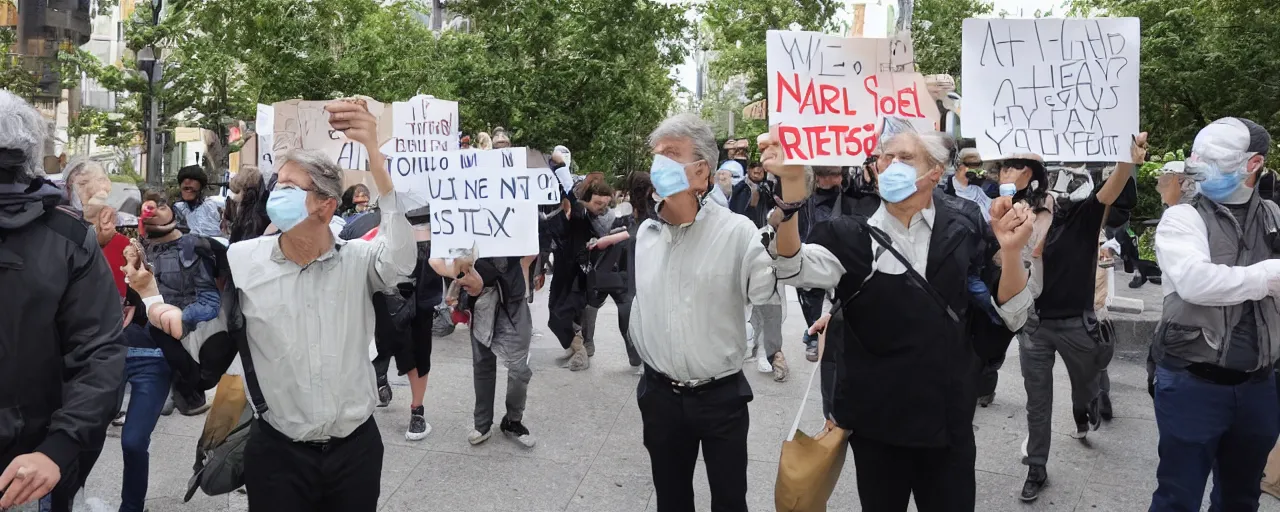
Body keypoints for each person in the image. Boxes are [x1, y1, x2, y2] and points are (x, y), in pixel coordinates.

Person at [136, 101, 418, 511]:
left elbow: (402, 257)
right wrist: (149, 295)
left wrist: (374, 153)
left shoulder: (359, 261)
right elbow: (200, 328)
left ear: (326, 205)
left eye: (291, 186)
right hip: (277, 454)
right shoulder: (243, 259)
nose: (277, 192)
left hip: (355, 452)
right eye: (277, 182)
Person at [766, 127, 1036, 510]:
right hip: (877, 424)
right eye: (885, 158)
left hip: (948, 420)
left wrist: (1011, 252)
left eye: (906, 158)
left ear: (935, 171)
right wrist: (790, 197)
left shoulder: (964, 226)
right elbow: (792, 267)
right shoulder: (848, 233)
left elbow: (1011, 313)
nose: (891, 166)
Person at [630, 114, 781, 511]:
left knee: (730, 500)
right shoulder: (646, 234)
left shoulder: (738, 233)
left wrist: (784, 230)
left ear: (702, 172)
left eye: (670, 154)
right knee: (671, 498)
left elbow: (766, 291)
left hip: (720, 398)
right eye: (656, 155)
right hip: (660, 395)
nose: (658, 164)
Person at [0, 90, 125, 512]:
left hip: (29, 466)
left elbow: (98, 352)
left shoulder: (68, 237)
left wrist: (58, 447)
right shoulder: (72, 236)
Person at [1149, 118, 1280, 511]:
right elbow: (1195, 281)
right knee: (1178, 496)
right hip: (1192, 381)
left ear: (1253, 164)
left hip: (1260, 386)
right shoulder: (1183, 217)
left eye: (1215, 156)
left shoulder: (1273, 215)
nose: (1198, 163)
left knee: (1241, 497)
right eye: (1196, 153)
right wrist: (1268, 275)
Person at [1016, 138, 1144, 502]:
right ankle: (1036, 466)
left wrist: (1127, 161)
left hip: (1076, 325)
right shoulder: (1025, 218)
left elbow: (1110, 191)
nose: (1052, 191)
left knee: (1086, 387)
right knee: (1036, 401)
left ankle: (1085, 407)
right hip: (1035, 325)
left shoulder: (1085, 218)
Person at [439, 252, 538, 449]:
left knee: (519, 367)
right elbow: (440, 256)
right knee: (483, 363)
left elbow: (534, 244)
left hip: (512, 295)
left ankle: (513, 420)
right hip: (478, 297)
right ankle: (482, 424)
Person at [139, 190, 220, 417]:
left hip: (184, 326)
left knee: (159, 330)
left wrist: (181, 318)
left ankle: (187, 388)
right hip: (152, 320)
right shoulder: (142, 249)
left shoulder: (193, 248)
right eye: (148, 208)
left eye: (161, 206)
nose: (153, 211)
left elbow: (210, 300)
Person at [546, 180, 614, 371]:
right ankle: (577, 346)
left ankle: (580, 350)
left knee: (563, 315)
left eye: (605, 204)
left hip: (581, 276)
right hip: (564, 272)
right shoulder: (577, 211)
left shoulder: (598, 219)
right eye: (598, 203)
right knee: (556, 316)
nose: (601, 208)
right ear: (586, 200)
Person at [581, 175, 645, 372]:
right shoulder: (588, 213)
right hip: (609, 266)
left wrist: (609, 239)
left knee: (624, 311)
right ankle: (587, 344)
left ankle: (634, 354)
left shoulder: (641, 213)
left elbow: (635, 232)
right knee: (592, 305)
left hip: (626, 267)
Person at [794, 165, 849, 362]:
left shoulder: (847, 194)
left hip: (839, 253)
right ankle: (814, 335)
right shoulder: (804, 197)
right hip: (811, 252)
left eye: (838, 174)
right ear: (819, 177)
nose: (837, 180)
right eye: (832, 175)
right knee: (811, 297)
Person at [943, 148, 994, 220]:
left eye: (978, 165)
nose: (976, 170)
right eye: (972, 165)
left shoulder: (977, 189)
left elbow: (990, 205)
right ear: (960, 165)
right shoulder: (949, 190)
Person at [173, 165, 223, 237]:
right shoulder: (175, 210)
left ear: (201, 187)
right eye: (185, 188)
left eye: (192, 179)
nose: (187, 182)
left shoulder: (213, 207)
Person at [225, 166, 271, 244]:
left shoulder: (254, 214)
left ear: (244, 191)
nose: (235, 197)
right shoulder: (263, 206)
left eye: (238, 192)